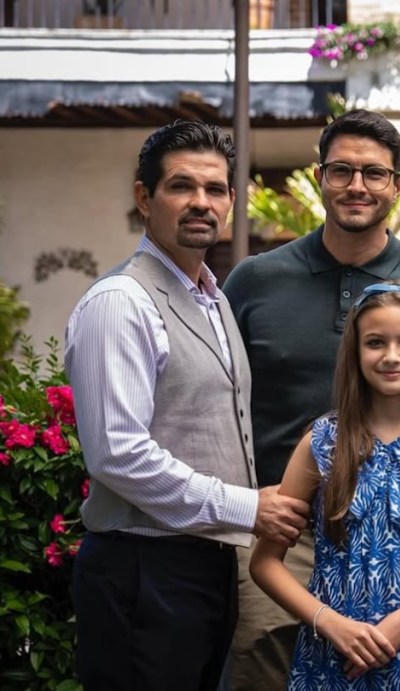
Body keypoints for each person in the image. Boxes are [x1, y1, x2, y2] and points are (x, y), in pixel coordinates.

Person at [223, 109, 400, 690]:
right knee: (269, 674)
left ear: (398, 185)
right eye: (341, 171)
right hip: (283, 529)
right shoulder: (254, 281)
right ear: (319, 178)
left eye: (374, 173)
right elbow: (219, 398)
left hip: (393, 540)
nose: (357, 185)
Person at [64, 120, 309, 690]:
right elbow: (117, 454)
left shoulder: (213, 299)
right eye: (181, 186)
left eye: (215, 188)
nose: (202, 202)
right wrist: (247, 507)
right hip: (143, 570)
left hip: (204, 567)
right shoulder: (121, 301)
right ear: (144, 197)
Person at [249, 282, 400, 689]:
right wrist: (329, 622)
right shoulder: (322, 442)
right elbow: (264, 563)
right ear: (355, 351)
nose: (392, 356)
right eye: (376, 342)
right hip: (332, 658)